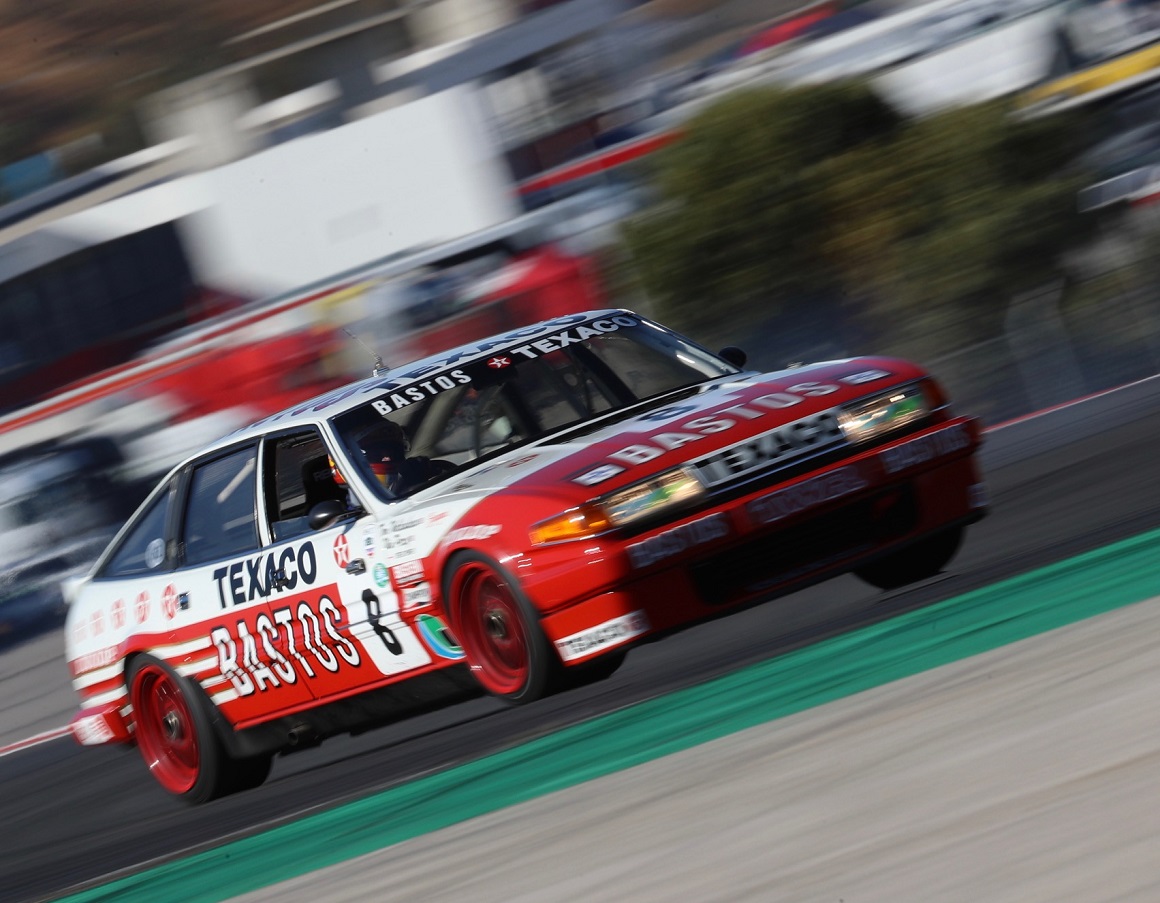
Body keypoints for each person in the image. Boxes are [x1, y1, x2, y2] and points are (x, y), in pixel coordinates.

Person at [355, 419, 450, 498]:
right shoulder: (358, 499)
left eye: (394, 449)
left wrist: (419, 482)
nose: (387, 457)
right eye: (376, 453)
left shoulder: (429, 469)